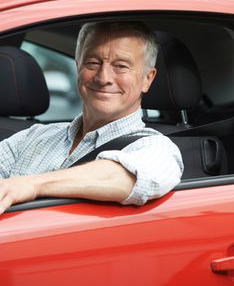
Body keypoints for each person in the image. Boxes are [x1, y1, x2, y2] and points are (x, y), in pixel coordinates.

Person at [0, 21, 183, 214]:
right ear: (78, 67)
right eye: (93, 63)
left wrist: (33, 184)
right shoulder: (31, 137)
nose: (104, 78)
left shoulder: (157, 148)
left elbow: (129, 177)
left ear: (147, 79)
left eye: (120, 66)